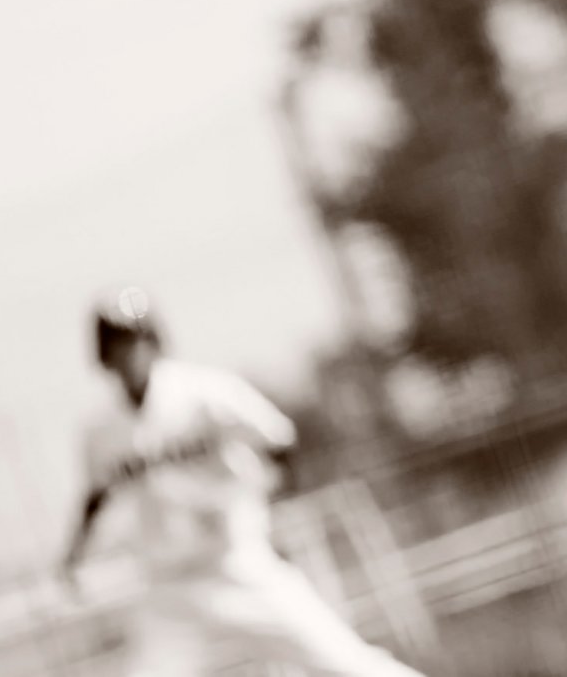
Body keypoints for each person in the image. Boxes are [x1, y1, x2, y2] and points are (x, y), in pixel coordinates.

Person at [60, 287, 428, 675]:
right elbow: (95, 498)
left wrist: (270, 498)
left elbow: (279, 441)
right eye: (117, 345)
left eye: (134, 340)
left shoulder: (203, 393)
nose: (128, 354)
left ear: (153, 342)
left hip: (237, 562)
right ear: (104, 356)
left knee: (343, 663)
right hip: (169, 586)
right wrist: (74, 557)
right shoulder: (101, 432)